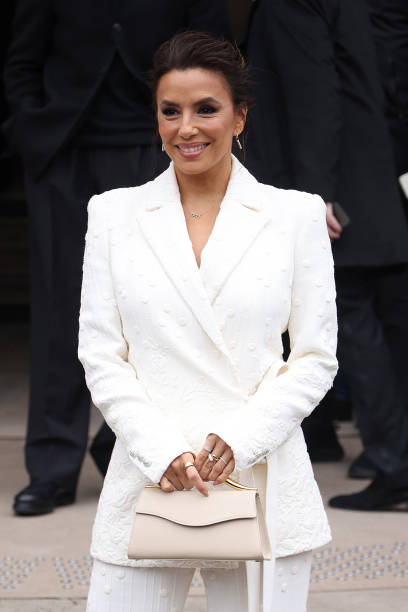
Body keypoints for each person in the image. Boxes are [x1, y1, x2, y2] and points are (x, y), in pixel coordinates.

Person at [78, 31, 338, 611]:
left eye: (206, 109)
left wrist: (241, 440)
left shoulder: (294, 215)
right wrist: (161, 450)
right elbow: (100, 354)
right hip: (148, 473)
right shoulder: (113, 214)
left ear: (240, 116)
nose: (186, 128)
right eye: (170, 111)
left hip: (262, 477)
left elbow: (316, 357)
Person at [3, 0, 230, 516]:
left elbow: (215, 54)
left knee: (157, 309)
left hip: (154, 150)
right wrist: (31, 127)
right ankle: (52, 466)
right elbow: (22, 60)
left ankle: (126, 445)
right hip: (64, 151)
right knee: (61, 307)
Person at [244, 0, 408, 510]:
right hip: (373, 176)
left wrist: (315, 195)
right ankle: (393, 460)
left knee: (356, 327)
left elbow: (310, 91)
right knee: (387, 323)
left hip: (339, 187)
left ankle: (394, 466)